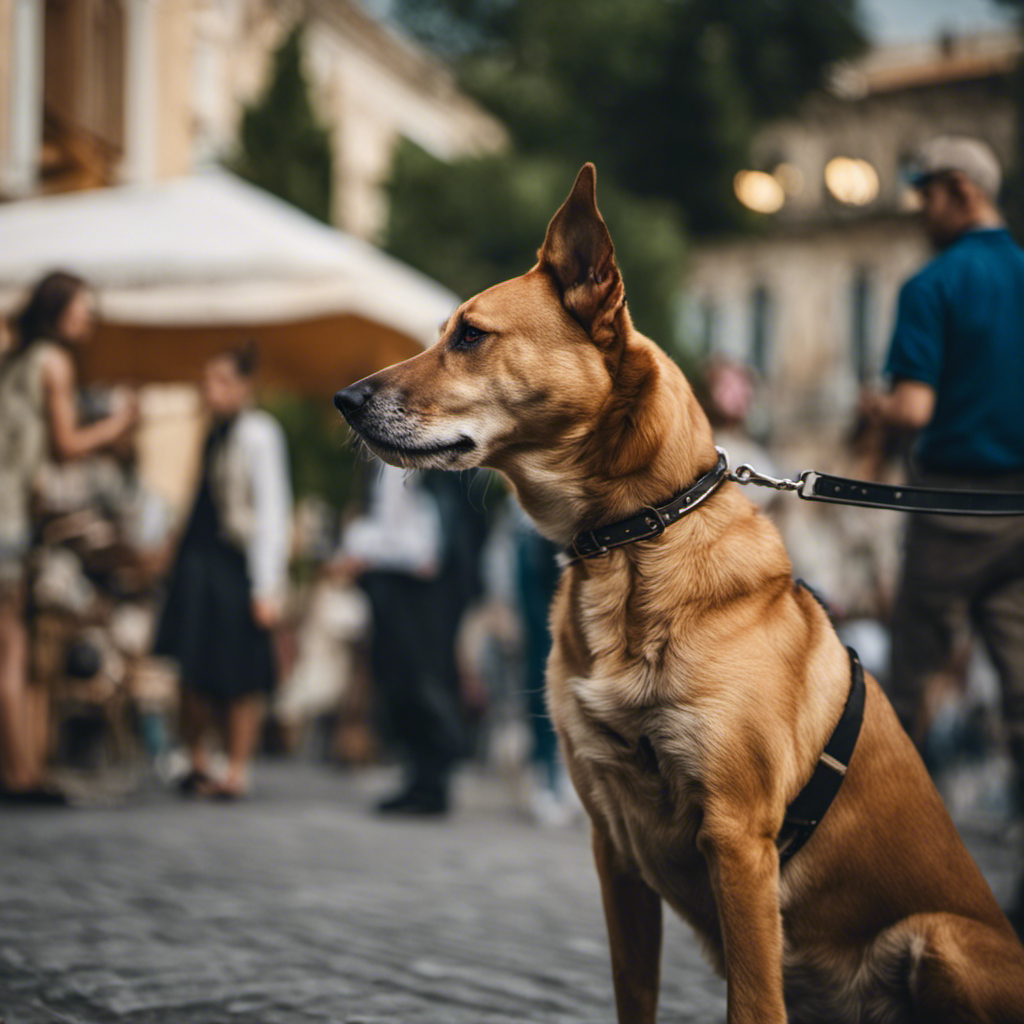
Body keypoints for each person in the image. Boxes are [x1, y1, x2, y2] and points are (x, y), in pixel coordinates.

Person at [861, 136, 1024, 783]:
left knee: (909, 688)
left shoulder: (933, 284)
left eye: (926, 194)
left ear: (963, 189)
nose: (921, 211)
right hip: (1021, 511)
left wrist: (875, 405)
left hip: (951, 509)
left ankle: (882, 853)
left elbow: (914, 409)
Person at [0, 271, 137, 802]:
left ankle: (21, 766)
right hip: (7, 521)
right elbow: (66, 445)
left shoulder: (14, 359)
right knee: (11, 655)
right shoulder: (54, 362)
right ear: (59, 310)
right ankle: (19, 775)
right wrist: (117, 425)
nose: (89, 317)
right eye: (83, 307)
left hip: (11, 512)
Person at [153, 345, 292, 799]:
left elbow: (273, 510)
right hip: (197, 563)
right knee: (191, 668)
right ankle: (199, 761)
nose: (211, 390)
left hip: (235, 565)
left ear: (245, 387)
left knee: (240, 673)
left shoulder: (258, 433)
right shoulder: (207, 430)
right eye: (208, 380)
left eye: (222, 381)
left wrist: (267, 585)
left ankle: (236, 769)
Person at [334, 464, 467, 815]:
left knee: (423, 679)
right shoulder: (377, 458)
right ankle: (419, 779)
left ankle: (436, 774)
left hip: (423, 585)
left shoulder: (437, 454)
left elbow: (436, 534)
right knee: (397, 679)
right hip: (388, 576)